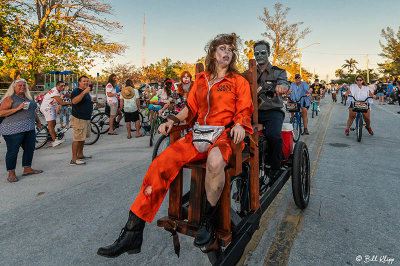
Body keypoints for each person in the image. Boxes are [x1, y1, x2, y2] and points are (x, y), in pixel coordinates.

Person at [97, 33, 253, 258]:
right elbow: (189, 110)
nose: (226, 52)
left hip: (223, 136)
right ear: (212, 53)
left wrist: (239, 124)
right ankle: (133, 231)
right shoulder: (200, 80)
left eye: (230, 49)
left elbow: (245, 109)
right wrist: (173, 120)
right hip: (197, 134)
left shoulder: (238, 81)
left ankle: (208, 222)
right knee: (161, 162)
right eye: (221, 49)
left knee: (216, 161)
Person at [252, 40, 289, 185]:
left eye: (262, 53)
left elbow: (284, 82)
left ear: (268, 53)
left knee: (273, 135)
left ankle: (275, 167)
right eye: (256, 53)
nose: (259, 56)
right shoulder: (249, 73)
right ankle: (243, 171)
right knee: (237, 132)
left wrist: (282, 87)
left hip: (273, 111)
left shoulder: (278, 71)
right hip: (253, 112)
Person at [0, 79, 43, 182]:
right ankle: (11, 173)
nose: (22, 87)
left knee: (30, 148)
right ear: (14, 87)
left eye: (24, 85)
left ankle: (27, 168)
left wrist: (38, 121)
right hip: (12, 130)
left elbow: (32, 110)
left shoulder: (28, 98)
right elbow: (1, 113)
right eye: (19, 85)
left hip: (29, 128)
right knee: (13, 151)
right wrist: (18, 108)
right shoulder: (9, 99)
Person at [70, 76, 93, 166]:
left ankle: (80, 155)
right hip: (79, 118)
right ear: (79, 82)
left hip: (86, 118)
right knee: (77, 138)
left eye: (87, 81)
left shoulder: (86, 91)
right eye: (83, 81)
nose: (86, 83)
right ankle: (74, 159)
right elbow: (74, 101)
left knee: (82, 138)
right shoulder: (77, 91)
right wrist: (84, 92)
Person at [40, 81, 71, 147]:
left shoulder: (61, 90)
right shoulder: (55, 92)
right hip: (47, 107)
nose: (62, 87)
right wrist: (72, 103)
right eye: (61, 86)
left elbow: (69, 96)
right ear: (57, 86)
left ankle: (50, 137)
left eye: (63, 86)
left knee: (53, 123)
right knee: (51, 125)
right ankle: (55, 141)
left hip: (52, 107)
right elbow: (61, 103)